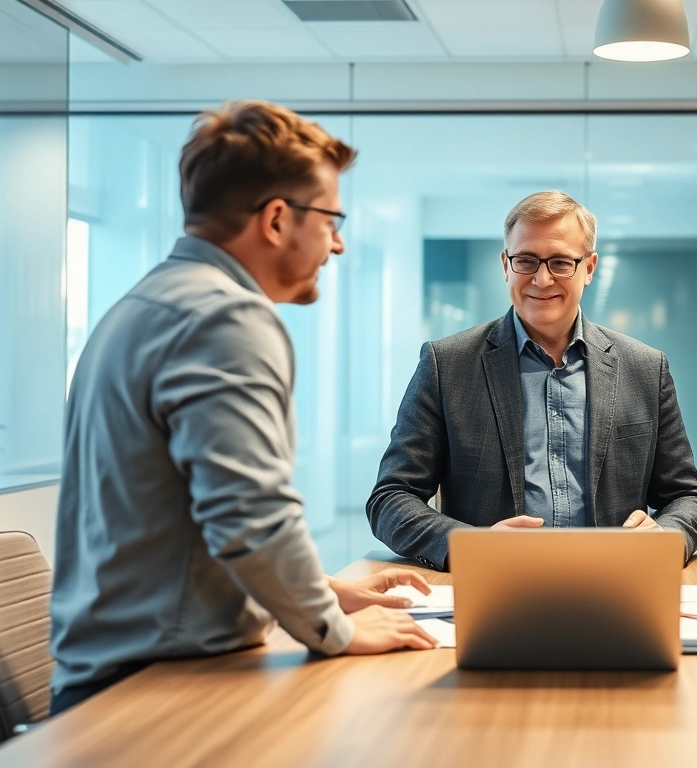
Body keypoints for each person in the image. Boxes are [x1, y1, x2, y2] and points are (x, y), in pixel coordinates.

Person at [50, 100, 436, 715]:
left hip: (125, 672)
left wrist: (333, 592)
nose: (337, 244)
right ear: (278, 219)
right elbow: (248, 514)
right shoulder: (227, 319)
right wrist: (334, 629)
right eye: (332, 219)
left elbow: (189, 517)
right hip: (161, 694)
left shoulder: (145, 305)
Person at [367, 190, 697, 569]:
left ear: (590, 267)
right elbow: (391, 498)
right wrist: (472, 546)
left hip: (617, 580)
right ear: (505, 264)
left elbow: (688, 497)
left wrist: (663, 536)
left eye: (562, 262)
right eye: (526, 260)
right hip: (497, 585)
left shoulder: (645, 368)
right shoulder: (447, 365)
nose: (542, 279)